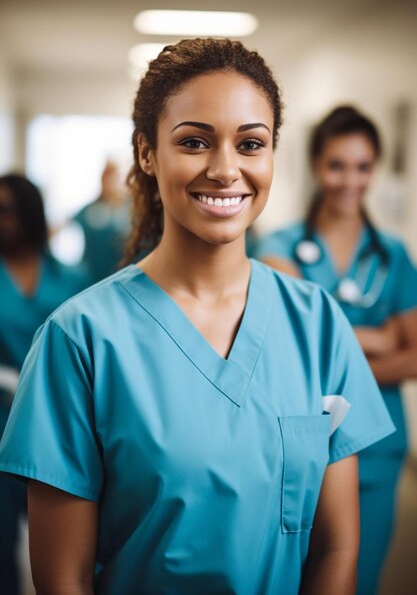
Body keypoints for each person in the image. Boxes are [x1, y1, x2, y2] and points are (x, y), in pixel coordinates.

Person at [0, 41, 395, 595]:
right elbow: (63, 580)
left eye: (251, 143)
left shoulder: (317, 323)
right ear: (146, 153)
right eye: (194, 142)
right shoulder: (80, 339)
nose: (225, 169)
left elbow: (336, 548)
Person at [255, 105, 417, 595]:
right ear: (316, 166)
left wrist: (335, 348)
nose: (351, 179)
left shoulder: (393, 255)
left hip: (377, 451)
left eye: (363, 166)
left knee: (356, 579)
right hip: (297, 446)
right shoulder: (277, 245)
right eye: (337, 165)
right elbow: (290, 339)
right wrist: (378, 336)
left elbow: (415, 354)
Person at [0, 173, 89, 595]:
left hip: (57, 426)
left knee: (65, 554)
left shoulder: (71, 279)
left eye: (12, 209)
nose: (5, 220)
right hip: (1, 422)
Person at [73, 160, 131, 282]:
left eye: (114, 177)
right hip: (93, 276)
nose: (110, 182)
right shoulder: (90, 210)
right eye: (107, 177)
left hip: (125, 274)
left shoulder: (132, 208)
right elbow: (66, 226)